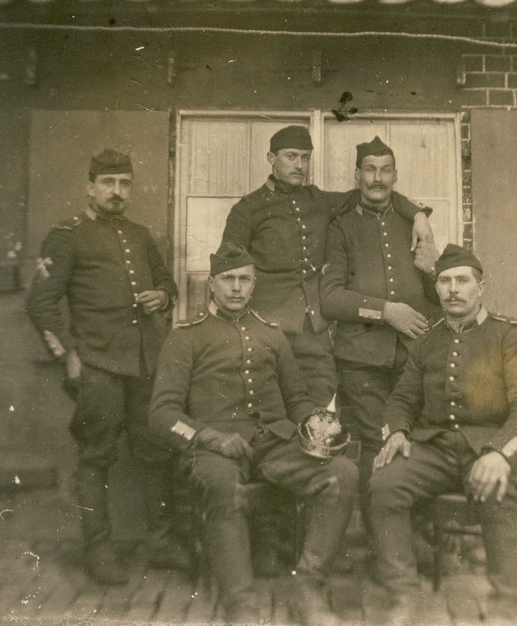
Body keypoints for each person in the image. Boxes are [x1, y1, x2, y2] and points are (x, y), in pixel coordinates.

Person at [149, 242, 358, 626]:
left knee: (341, 474)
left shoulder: (272, 334)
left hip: (272, 445)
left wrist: (316, 422)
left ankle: (307, 587)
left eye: (244, 279)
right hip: (212, 450)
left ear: (254, 283)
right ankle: (241, 604)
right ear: (211, 284)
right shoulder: (186, 337)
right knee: (224, 485)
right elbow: (162, 415)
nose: (236, 288)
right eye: (227, 279)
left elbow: (295, 399)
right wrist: (209, 439)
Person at [26, 149, 190, 585]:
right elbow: (41, 302)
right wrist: (69, 356)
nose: (118, 192)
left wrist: (163, 296)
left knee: (156, 450)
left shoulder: (138, 234)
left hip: (145, 364)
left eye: (125, 184)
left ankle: (161, 541)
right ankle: (98, 549)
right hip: (97, 364)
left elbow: (167, 283)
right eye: (108, 183)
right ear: (90, 187)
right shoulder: (67, 236)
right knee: (96, 457)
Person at [370, 244, 517, 625]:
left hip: (488, 447)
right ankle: (403, 595)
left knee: (497, 493)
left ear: (480, 287)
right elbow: (401, 398)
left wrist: (500, 454)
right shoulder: (427, 341)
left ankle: (505, 606)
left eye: (462, 281)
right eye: (445, 281)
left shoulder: (509, 337)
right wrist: (397, 432)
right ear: (437, 289)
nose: (453, 289)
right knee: (385, 485)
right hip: (434, 449)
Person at [221, 125, 434, 408]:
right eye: (291, 156)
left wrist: (419, 215)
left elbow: (375, 191)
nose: (299, 165)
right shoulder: (247, 209)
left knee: (316, 405)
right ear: (271, 157)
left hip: (314, 331)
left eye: (305, 157)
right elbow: (227, 269)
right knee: (266, 404)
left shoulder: (318, 200)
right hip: (268, 326)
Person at [319, 135, 440, 541]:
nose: (377, 178)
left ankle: (412, 538)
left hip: (412, 357)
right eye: (369, 169)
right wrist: (387, 311)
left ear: (395, 175)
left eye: (385, 170)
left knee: (416, 440)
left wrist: (433, 270)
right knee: (375, 442)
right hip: (360, 359)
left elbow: (437, 297)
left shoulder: (412, 223)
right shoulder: (341, 226)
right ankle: (382, 544)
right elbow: (331, 298)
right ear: (357, 175)